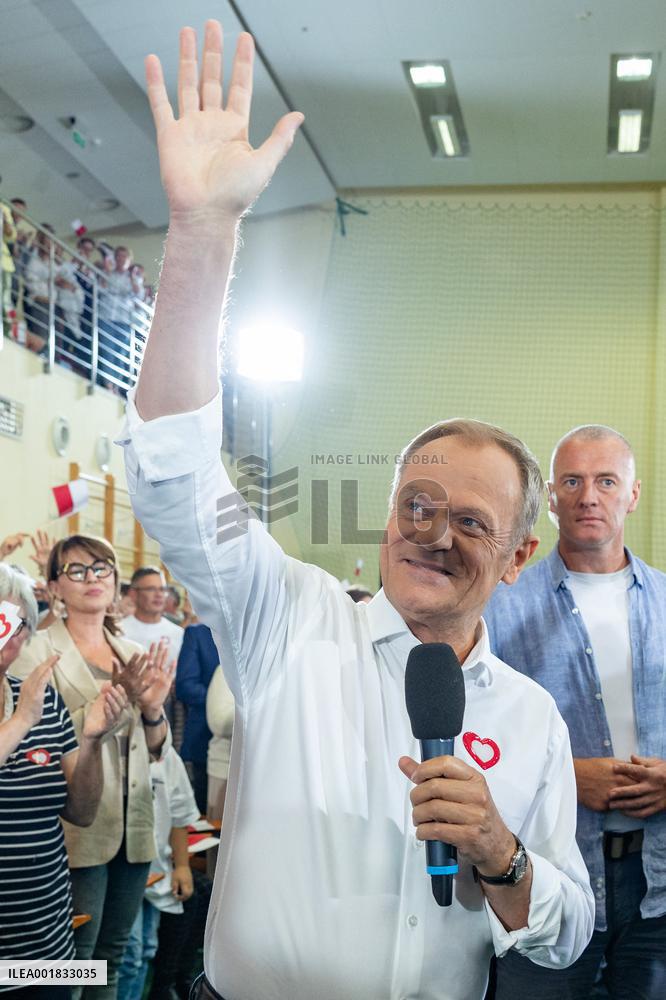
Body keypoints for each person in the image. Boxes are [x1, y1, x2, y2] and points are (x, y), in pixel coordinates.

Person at [118, 21, 594, 1000]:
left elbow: (566, 934)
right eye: (418, 504)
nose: (435, 533)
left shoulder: (533, 719)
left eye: (472, 522)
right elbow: (171, 472)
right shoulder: (287, 616)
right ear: (386, 518)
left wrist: (501, 852)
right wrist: (204, 234)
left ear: (518, 556)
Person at [484, 425, 666, 999]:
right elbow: (469, 731)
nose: (589, 496)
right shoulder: (499, 606)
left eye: (606, 481)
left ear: (633, 494)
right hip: (547, 877)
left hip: (657, 884)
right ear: (551, 497)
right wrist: (564, 775)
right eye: (572, 482)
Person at [11, 534, 175, 1000]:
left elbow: (156, 750)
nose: (92, 578)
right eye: (77, 570)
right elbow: (29, 739)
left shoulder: (131, 651)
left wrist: (152, 710)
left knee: (113, 955)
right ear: (55, 587)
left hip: (133, 822)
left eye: (102, 567)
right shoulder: (35, 650)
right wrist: (100, 714)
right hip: (74, 823)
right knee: (73, 961)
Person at [0, 563, 127, 999]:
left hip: (46, 943)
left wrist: (91, 743)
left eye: (18, 625)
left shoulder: (42, 698)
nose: (7, 636)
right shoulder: (30, 707)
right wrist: (21, 720)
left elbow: (82, 811)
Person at [117, 746, 198, 1000]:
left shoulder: (168, 756)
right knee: (128, 954)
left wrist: (182, 865)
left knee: (146, 950)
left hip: (157, 870)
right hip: (121, 872)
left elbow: (179, 814)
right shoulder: (113, 747)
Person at [176, 623, 219, 813]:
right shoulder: (199, 634)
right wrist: (224, 701)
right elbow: (185, 686)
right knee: (207, 814)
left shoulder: (255, 633)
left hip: (252, 744)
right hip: (205, 739)